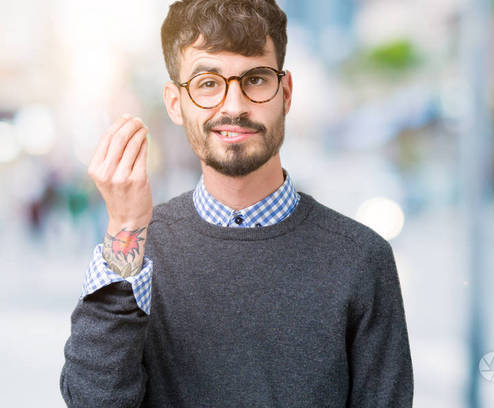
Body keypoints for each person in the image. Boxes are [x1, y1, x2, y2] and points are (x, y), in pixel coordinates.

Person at [59, 0, 413, 406]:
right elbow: (94, 400)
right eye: (208, 83)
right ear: (176, 103)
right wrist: (125, 227)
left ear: (286, 92)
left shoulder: (362, 258)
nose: (234, 106)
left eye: (257, 79)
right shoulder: (137, 251)